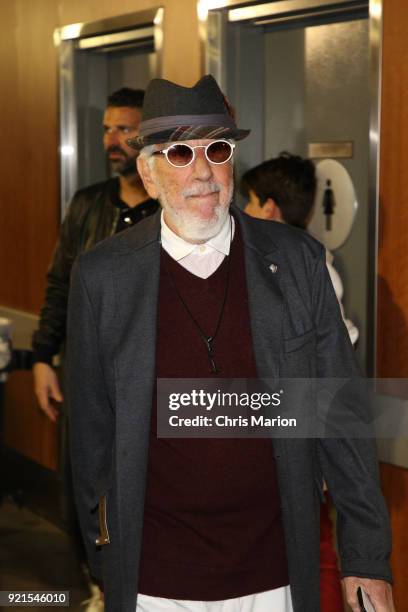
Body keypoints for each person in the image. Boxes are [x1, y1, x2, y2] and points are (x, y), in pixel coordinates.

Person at [65, 75, 394, 612]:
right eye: (178, 153)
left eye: (216, 149)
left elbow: (341, 417)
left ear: (232, 164)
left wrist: (366, 558)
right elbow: (91, 439)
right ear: (147, 173)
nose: (202, 171)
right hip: (154, 579)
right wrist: (107, 562)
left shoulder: (295, 263)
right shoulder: (104, 277)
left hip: (274, 574)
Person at [241, 153, 359, 612]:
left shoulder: (306, 268)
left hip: (304, 433)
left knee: (319, 549)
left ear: (269, 208)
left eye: (248, 202)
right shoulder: (289, 264)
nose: (244, 213)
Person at [32, 87, 159, 421]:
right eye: (107, 130)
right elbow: (61, 283)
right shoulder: (86, 204)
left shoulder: (170, 210)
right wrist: (43, 357)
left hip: (153, 382)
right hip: (88, 376)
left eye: (124, 129)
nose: (111, 141)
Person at [241, 153, 358, 344]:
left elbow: (337, 347)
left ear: (268, 208)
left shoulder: (313, 269)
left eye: (252, 202)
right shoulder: (260, 260)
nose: (245, 211)